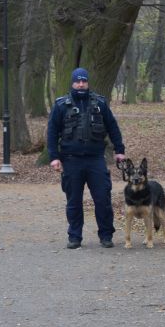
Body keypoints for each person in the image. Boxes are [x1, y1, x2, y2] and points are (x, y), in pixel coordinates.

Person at [46, 67, 126, 249]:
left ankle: (106, 235)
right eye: (77, 81)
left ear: (88, 82)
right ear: (72, 83)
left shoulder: (100, 103)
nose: (81, 84)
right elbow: (52, 132)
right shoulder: (61, 105)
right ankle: (75, 237)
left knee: (103, 199)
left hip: (96, 159)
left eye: (84, 81)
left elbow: (112, 127)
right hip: (71, 159)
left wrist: (119, 150)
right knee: (73, 201)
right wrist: (54, 157)